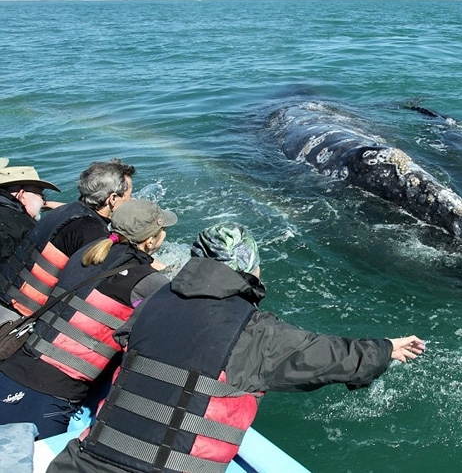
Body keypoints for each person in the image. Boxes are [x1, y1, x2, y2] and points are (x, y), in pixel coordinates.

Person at [47, 222, 425, 473]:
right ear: (247, 270)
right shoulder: (253, 329)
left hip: (85, 461)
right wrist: (385, 348)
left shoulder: (155, 301)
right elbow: (325, 356)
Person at [0, 199, 177, 439]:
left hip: (13, 367)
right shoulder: (149, 282)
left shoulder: (87, 253)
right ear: (150, 240)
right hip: (53, 392)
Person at [0, 159, 136, 320]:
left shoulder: (67, 213)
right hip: (20, 313)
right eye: (129, 195)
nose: (132, 200)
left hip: (6, 295)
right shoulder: (92, 232)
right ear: (112, 198)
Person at [0, 160, 61, 267]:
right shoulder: (22, 225)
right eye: (41, 195)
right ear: (22, 194)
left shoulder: (7, 214)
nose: (42, 201)